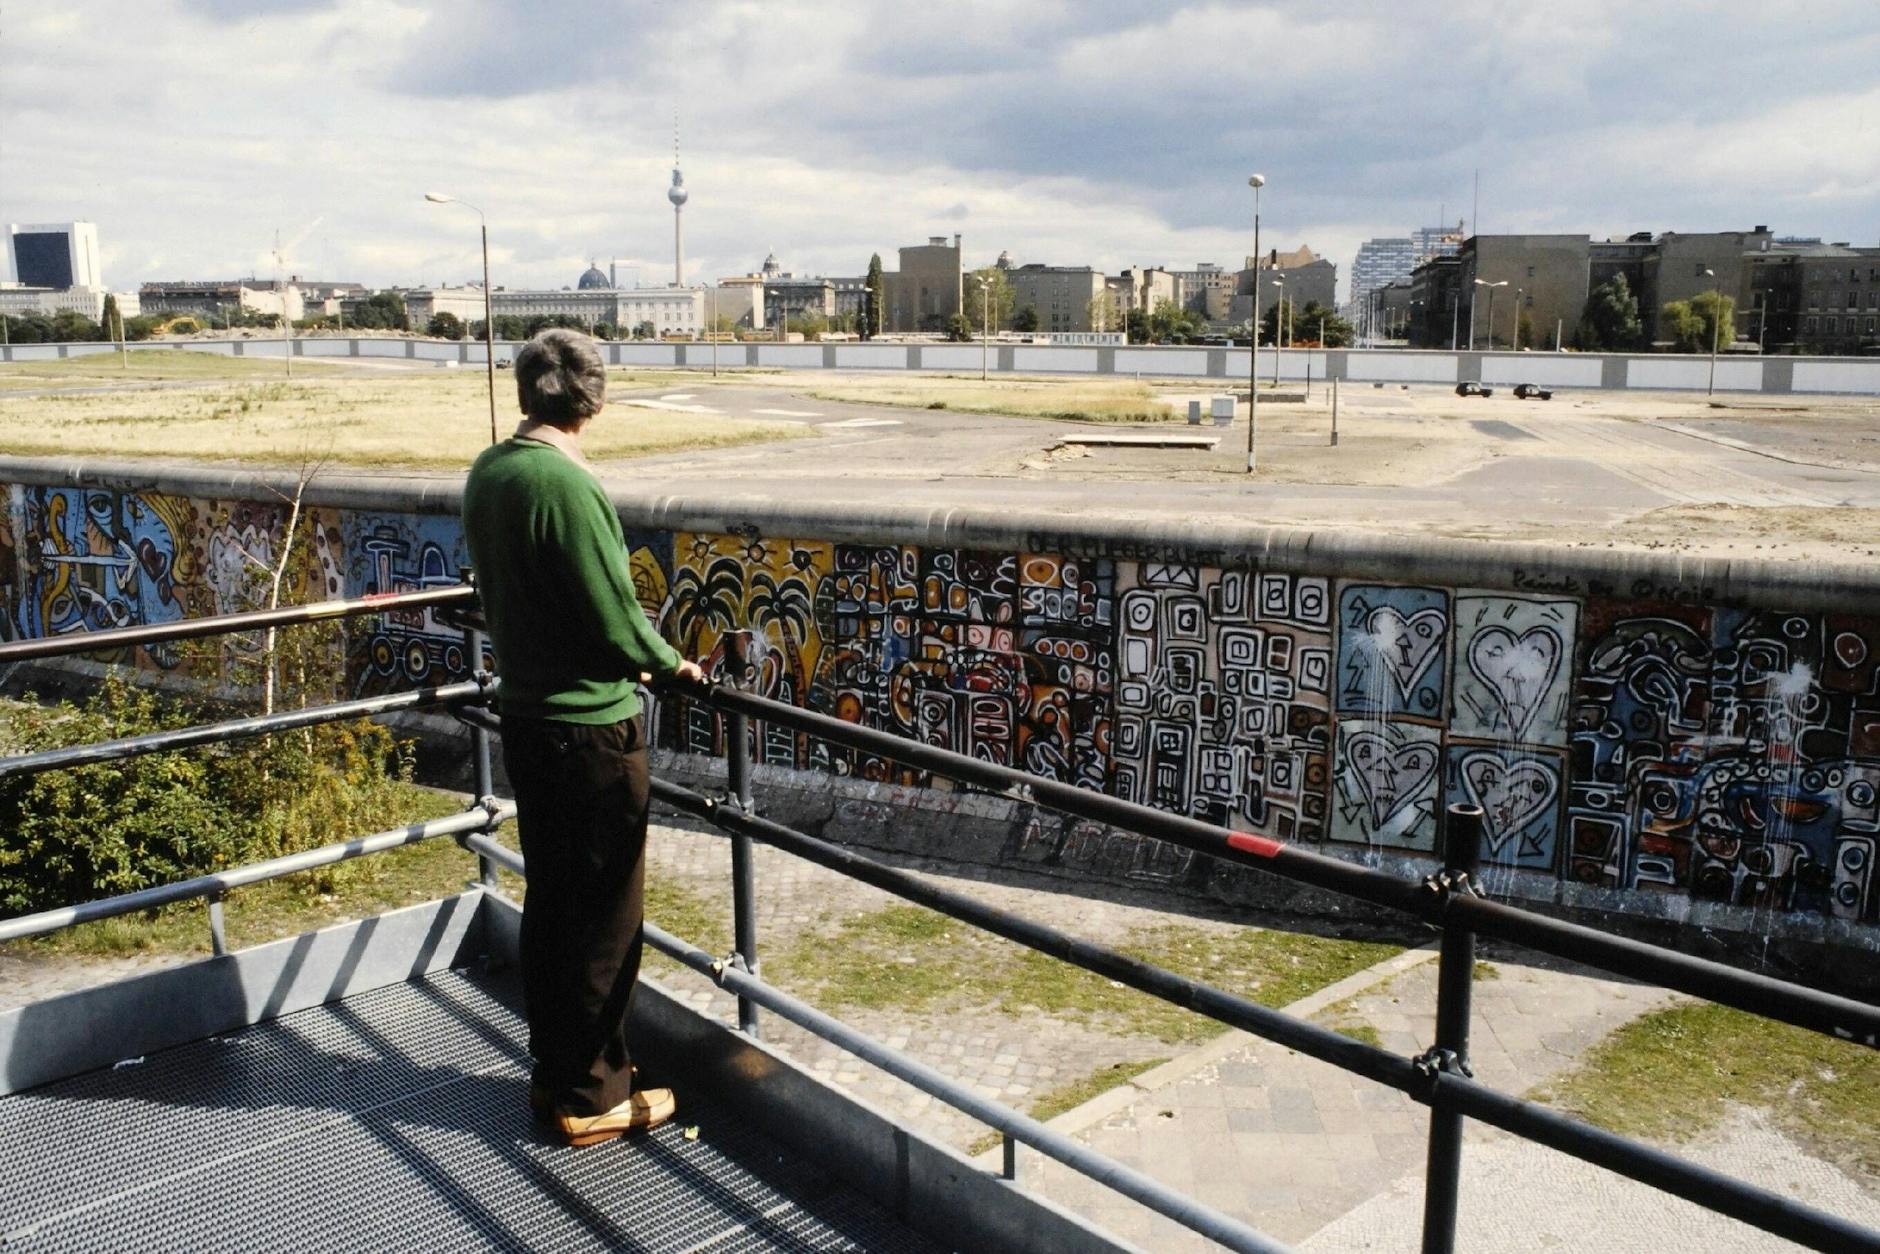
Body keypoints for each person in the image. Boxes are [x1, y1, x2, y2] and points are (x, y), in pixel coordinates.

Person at [462, 328, 703, 1147]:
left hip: (529, 721)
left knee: (556, 907)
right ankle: (593, 1094)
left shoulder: (492, 471)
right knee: (605, 921)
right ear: (593, 400)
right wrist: (674, 665)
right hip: (590, 731)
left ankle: (556, 1075)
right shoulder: (567, 486)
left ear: (529, 390)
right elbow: (615, 617)